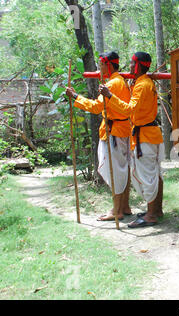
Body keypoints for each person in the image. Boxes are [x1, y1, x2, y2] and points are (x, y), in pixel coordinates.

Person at [99, 51, 164, 228]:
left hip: (146, 137)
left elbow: (129, 110)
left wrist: (110, 96)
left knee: (147, 176)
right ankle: (156, 210)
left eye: (131, 64)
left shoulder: (142, 85)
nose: (128, 67)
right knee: (154, 174)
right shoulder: (143, 83)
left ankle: (151, 215)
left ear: (137, 65)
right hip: (149, 134)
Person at [66, 51, 133, 222]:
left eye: (100, 64)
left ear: (107, 65)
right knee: (122, 170)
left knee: (115, 171)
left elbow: (96, 107)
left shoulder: (113, 83)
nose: (98, 68)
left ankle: (116, 210)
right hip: (122, 130)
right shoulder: (120, 81)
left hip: (114, 132)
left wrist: (75, 96)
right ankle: (124, 206)